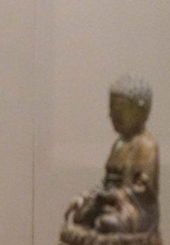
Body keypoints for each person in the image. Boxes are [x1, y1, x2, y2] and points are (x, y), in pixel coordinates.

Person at [65, 75, 160, 235]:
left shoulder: (146, 146)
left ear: (140, 111)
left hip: (133, 209)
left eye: (120, 110)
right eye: (112, 110)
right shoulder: (119, 145)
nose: (112, 116)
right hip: (111, 202)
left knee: (110, 224)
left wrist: (116, 195)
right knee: (81, 216)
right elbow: (108, 183)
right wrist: (89, 196)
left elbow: (143, 191)